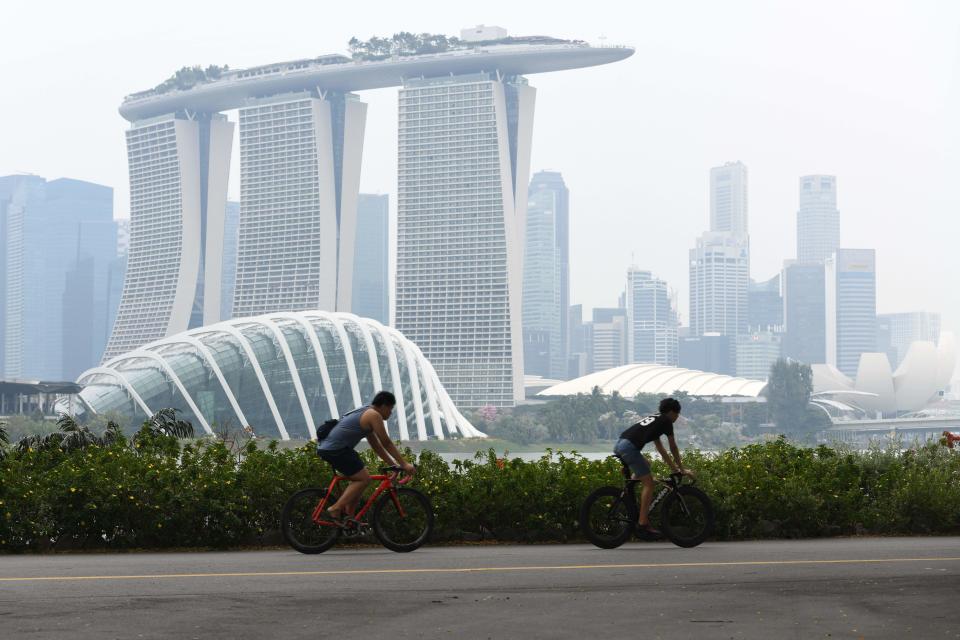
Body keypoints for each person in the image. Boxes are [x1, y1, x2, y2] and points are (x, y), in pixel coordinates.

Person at [316, 391, 416, 523]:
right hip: (336, 449)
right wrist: (404, 465)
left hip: (331, 449)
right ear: (384, 406)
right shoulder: (374, 415)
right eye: (391, 409)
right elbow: (386, 442)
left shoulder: (366, 412)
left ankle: (349, 519)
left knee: (359, 479)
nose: (391, 413)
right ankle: (336, 508)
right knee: (364, 479)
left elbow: (377, 446)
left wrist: (392, 465)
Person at [614, 397, 693, 536]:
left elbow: (661, 449)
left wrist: (674, 469)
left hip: (620, 444)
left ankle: (629, 493)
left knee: (647, 464)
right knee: (649, 484)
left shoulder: (657, 419)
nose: (677, 417)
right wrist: (681, 469)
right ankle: (643, 523)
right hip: (629, 448)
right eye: (677, 414)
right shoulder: (667, 421)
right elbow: (673, 447)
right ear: (671, 412)